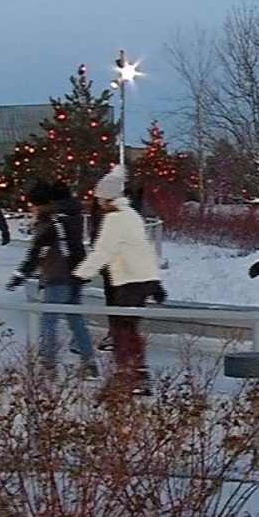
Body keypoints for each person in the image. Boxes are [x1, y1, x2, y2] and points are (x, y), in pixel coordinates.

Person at [72, 165, 165, 395]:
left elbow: (102, 251)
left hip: (130, 281)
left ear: (108, 198)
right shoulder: (132, 215)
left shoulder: (115, 219)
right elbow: (144, 247)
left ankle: (128, 375)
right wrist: (154, 281)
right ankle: (138, 374)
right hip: (140, 279)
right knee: (129, 328)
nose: (98, 203)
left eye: (100, 199)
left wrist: (80, 275)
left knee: (122, 329)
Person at [10, 181, 98, 378]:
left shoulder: (50, 219)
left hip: (57, 275)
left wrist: (21, 274)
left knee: (48, 320)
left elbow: (38, 250)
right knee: (75, 319)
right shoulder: (73, 215)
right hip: (76, 272)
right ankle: (89, 363)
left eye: (33, 204)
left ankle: (48, 365)